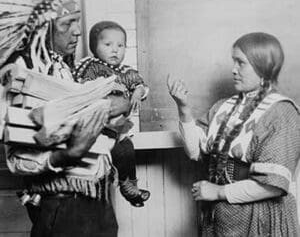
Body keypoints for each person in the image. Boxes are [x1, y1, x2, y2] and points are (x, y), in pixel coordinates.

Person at [0, 0, 131, 236]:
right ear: (41, 29)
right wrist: (70, 154)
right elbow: (18, 161)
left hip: (98, 203)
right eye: (66, 24)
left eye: (78, 21)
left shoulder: (64, 69)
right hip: (61, 210)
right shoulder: (19, 77)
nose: (76, 32)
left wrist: (116, 107)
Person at [167, 32, 300, 236]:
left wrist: (218, 191)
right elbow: (195, 152)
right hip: (223, 214)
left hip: (260, 217)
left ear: (263, 66)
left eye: (241, 63)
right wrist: (184, 108)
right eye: (233, 62)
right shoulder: (223, 107)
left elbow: (274, 186)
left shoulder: (281, 112)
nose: (233, 70)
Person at [73, 20, 150, 207]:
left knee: (126, 149)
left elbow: (140, 85)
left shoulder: (126, 71)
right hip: (98, 124)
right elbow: (83, 86)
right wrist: (108, 86)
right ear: (93, 46)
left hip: (119, 125)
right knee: (107, 154)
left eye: (120, 45)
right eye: (108, 45)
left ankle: (128, 183)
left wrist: (138, 92)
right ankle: (116, 182)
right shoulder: (90, 65)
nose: (115, 50)